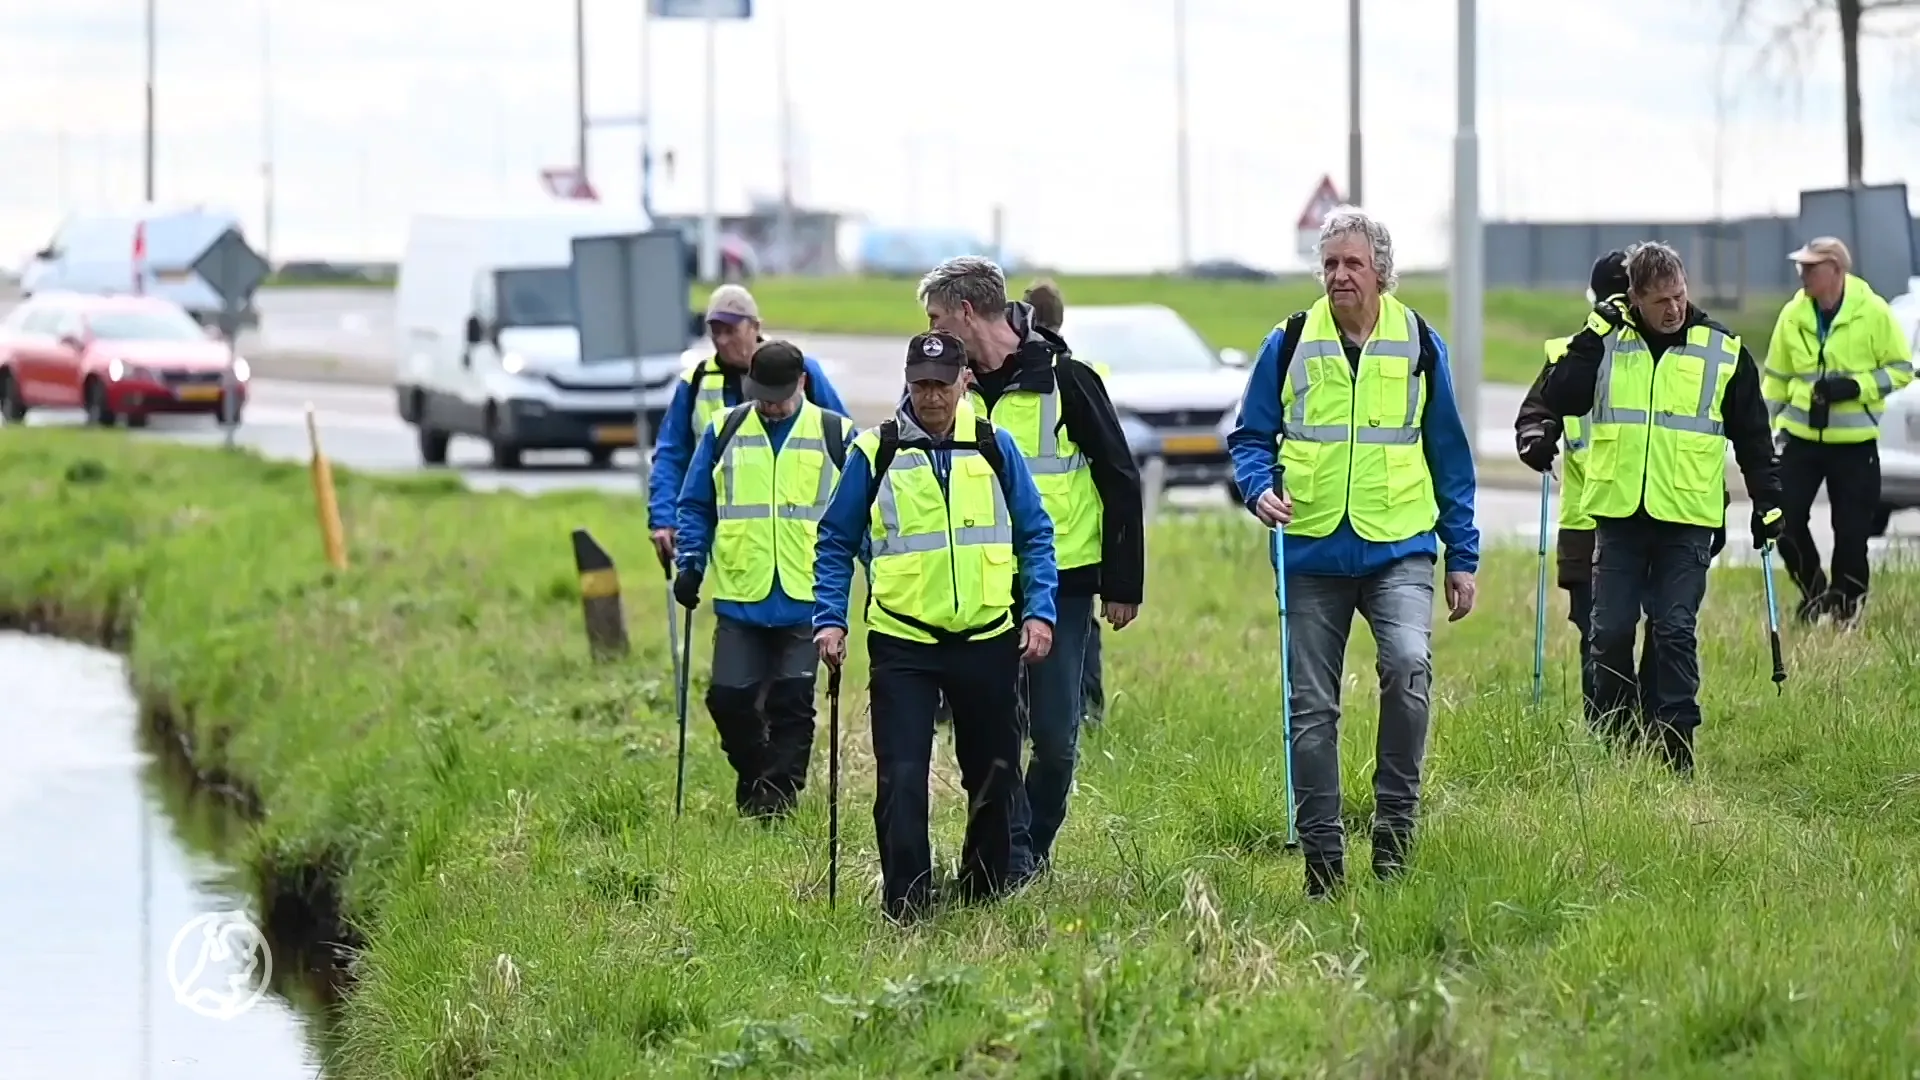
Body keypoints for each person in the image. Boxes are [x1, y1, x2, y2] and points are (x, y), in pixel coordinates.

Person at [1226, 206, 1481, 900]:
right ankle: (1323, 868)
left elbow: (1450, 454)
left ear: (1381, 272)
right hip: (1310, 552)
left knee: (1409, 665)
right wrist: (1257, 490)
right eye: (1330, 264)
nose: (1340, 276)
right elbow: (1249, 437)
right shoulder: (1289, 340)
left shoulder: (1420, 342)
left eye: (1352, 264)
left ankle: (1394, 842)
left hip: (1398, 546)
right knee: (1311, 711)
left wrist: (1463, 554)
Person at [812, 331, 1060, 923]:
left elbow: (1036, 533)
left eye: (941, 385)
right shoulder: (875, 453)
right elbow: (835, 540)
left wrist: (1040, 609)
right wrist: (830, 619)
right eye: (920, 386)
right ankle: (908, 905)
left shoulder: (997, 447)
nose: (931, 398)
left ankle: (984, 891)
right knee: (901, 777)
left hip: (987, 639)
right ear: (907, 383)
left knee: (995, 776)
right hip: (905, 644)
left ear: (963, 382)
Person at [918, 256, 1145, 886]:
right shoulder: (945, 387)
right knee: (992, 734)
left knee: (1055, 739)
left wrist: (1122, 582)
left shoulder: (1066, 379)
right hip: (980, 586)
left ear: (967, 312)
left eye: (938, 316)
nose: (932, 332)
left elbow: (1119, 477)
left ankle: (1033, 845)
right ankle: (1008, 858)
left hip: (1064, 583)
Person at [1539, 241, 1783, 775]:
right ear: (1635, 299)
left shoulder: (1722, 350)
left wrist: (1768, 502)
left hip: (1687, 521)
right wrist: (1591, 338)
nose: (1672, 309)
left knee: (1673, 629)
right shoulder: (1605, 344)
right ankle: (1613, 743)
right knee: (1609, 633)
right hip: (1620, 517)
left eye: (1679, 296)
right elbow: (1562, 398)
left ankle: (1675, 752)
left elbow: (1753, 436)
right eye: (1659, 301)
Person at [672, 340, 855, 819]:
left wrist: (876, 577)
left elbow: (863, 516)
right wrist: (690, 562)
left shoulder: (835, 434)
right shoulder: (724, 430)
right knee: (728, 699)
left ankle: (776, 803)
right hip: (741, 592)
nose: (769, 404)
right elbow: (695, 504)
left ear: (802, 384)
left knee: (793, 703)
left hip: (807, 595)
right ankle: (757, 775)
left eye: (778, 394)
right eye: (761, 393)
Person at [1515, 249, 1680, 729]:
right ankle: (1611, 732)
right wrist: (1535, 436)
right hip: (1588, 523)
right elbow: (1535, 410)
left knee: (1664, 630)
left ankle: (1652, 725)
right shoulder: (1571, 353)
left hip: (1662, 516)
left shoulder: (1673, 354)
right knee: (1601, 634)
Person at [1762, 236, 1915, 627]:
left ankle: (1846, 608)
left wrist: (1854, 387)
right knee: (1783, 521)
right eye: (1801, 267)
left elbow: (1901, 369)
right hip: (1799, 438)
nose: (1802, 274)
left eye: (1811, 268)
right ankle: (1815, 593)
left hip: (1854, 443)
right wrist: (1763, 436)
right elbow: (1775, 381)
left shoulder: (1874, 312)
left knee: (1851, 534)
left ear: (1836, 269)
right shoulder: (1792, 316)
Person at [647, 284, 850, 570]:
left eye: (731, 330)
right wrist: (664, 518)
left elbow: (844, 443)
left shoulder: (797, 371)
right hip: (729, 535)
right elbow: (671, 455)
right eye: (715, 331)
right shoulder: (696, 382)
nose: (722, 340)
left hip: (797, 537)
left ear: (755, 327)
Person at [1020, 279, 1108, 727]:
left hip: (1043, 553)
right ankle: (1088, 709)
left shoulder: (1061, 378)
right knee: (1079, 639)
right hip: (1070, 551)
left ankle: (1074, 712)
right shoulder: (1075, 371)